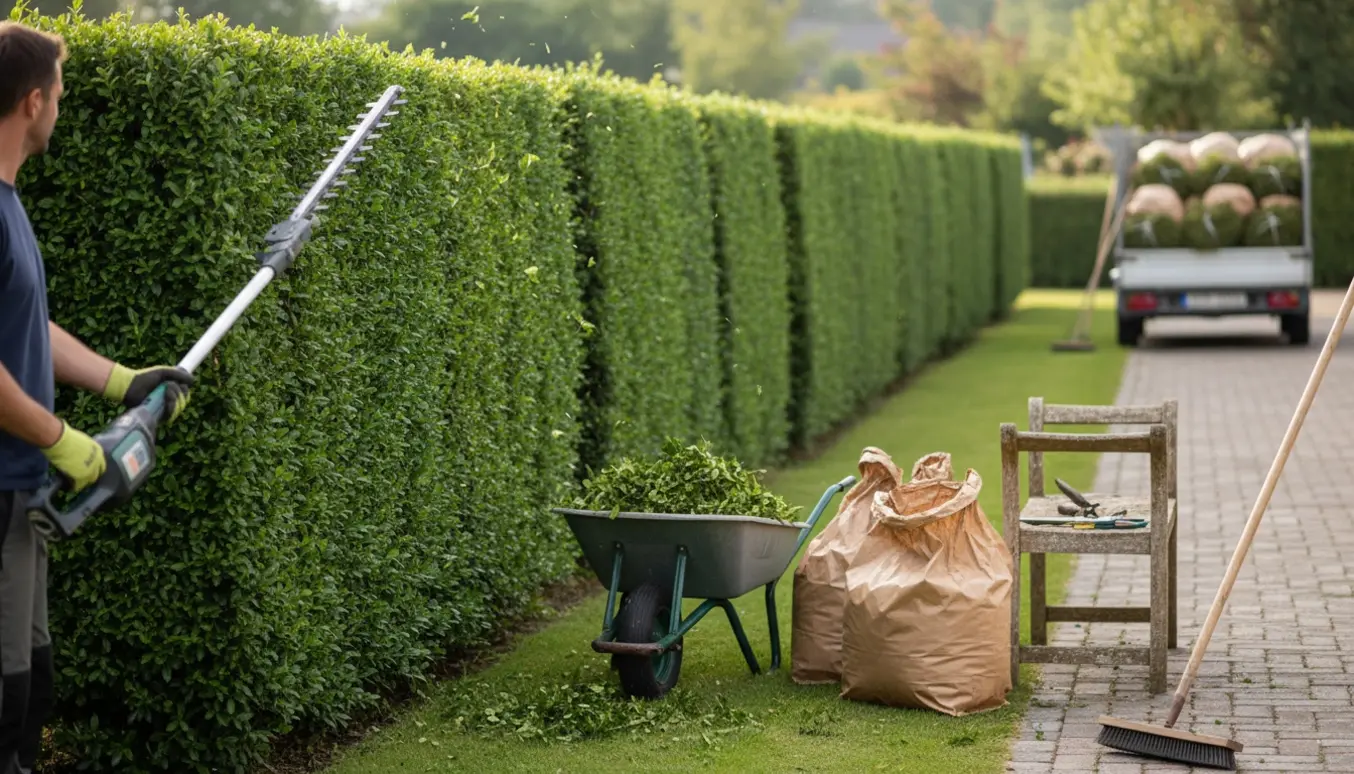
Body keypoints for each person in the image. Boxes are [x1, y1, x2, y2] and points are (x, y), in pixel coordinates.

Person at [0, 21, 194, 773]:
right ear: (33, 100)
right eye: (61, 95)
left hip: (21, 494)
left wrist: (122, 381)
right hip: (3, 488)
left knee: (33, 672)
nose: (62, 108)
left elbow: (27, 324)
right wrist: (61, 440)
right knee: (7, 690)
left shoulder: (10, 203)